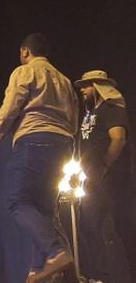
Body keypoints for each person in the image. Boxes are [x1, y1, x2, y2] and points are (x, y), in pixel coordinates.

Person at [0, 33, 79, 282]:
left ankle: (56, 252)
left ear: (25, 52)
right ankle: (39, 270)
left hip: (33, 139)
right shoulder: (64, 80)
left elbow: (11, 106)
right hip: (62, 143)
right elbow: (73, 118)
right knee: (44, 208)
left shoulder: (24, 71)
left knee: (16, 200)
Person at [75, 70, 133, 281]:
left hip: (114, 180)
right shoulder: (90, 114)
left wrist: (104, 167)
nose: (82, 90)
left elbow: (118, 139)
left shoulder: (111, 108)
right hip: (92, 182)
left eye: (86, 85)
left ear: (98, 86)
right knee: (88, 226)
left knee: (124, 228)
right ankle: (99, 277)